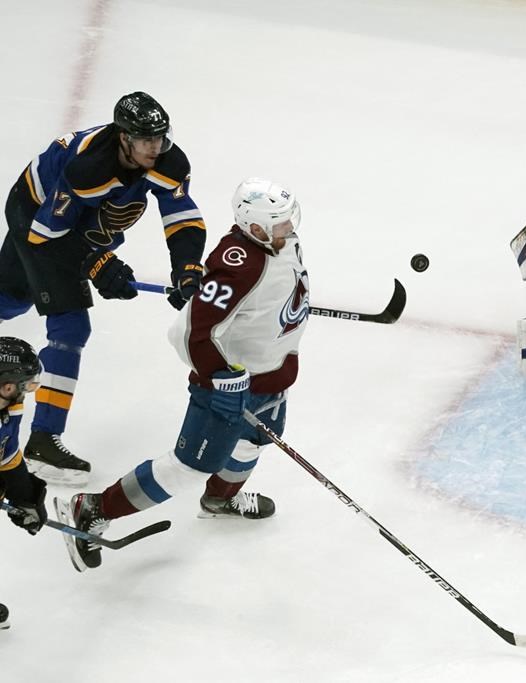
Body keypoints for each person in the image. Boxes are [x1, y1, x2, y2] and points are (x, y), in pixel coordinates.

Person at [54, 178, 307, 572]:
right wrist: (222, 378)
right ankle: (92, 508)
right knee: (188, 466)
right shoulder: (239, 265)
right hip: (229, 388)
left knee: (251, 442)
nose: (289, 228)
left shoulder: (281, 244)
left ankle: (219, 500)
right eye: (279, 223)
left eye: (289, 220)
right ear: (254, 228)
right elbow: (187, 333)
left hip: (273, 377)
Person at [0, 91, 207, 485]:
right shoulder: (89, 169)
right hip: (38, 216)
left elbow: (181, 216)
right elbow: (48, 234)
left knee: (10, 299)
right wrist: (97, 261)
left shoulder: (169, 160)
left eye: (161, 137)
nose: (156, 147)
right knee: (70, 325)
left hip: (84, 221)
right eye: (146, 140)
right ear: (124, 138)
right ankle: (43, 440)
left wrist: (187, 270)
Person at [0, 337, 50, 628]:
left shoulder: (9, 408)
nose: (28, 392)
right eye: (26, 385)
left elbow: (6, 455)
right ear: (8, 385)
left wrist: (25, 496)